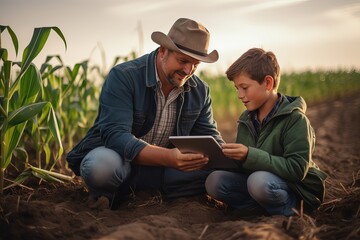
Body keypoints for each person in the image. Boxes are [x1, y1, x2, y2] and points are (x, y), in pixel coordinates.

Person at [66, 18, 223, 209]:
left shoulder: (200, 90)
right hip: (122, 161)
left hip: (165, 170)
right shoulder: (124, 76)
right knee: (101, 167)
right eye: (183, 61)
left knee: (218, 174)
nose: (188, 70)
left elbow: (210, 139)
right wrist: (169, 157)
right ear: (163, 51)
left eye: (195, 64)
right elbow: (115, 135)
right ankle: (108, 195)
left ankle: (138, 190)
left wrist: (228, 156)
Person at [205, 48, 327, 216]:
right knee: (214, 181)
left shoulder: (295, 120)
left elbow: (297, 169)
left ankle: (291, 210)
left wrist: (249, 155)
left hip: (293, 189)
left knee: (258, 182)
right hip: (260, 186)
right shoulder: (246, 119)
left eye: (244, 87)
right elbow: (247, 165)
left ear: (268, 83)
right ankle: (258, 209)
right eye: (236, 88)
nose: (239, 95)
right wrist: (227, 159)